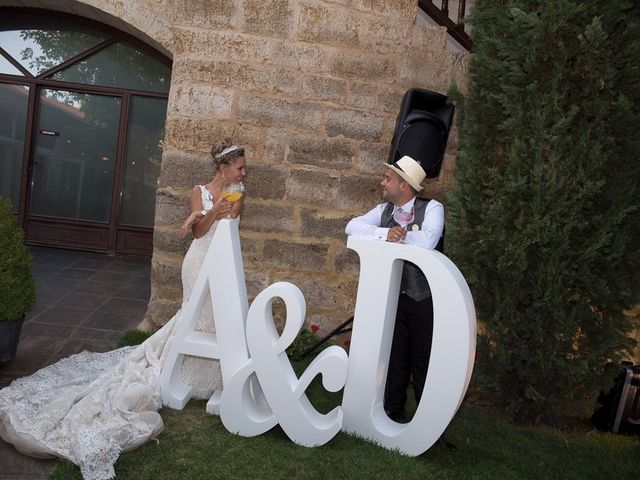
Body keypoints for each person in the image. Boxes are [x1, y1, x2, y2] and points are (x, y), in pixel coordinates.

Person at [0, 140, 247, 480]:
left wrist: (229, 208)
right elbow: (199, 232)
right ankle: (179, 370)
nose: (242, 173)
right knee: (195, 313)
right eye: (238, 168)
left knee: (217, 315)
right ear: (222, 167)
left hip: (223, 261)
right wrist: (213, 209)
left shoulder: (239, 190)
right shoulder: (200, 191)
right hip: (198, 262)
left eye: (243, 168)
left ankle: (209, 375)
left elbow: (234, 221)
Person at [345, 155, 444, 422]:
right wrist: (384, 234)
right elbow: (351, 226)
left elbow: (429, 240)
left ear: (404, 185)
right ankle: (392, 409)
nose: (382, 182)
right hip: (391, 295)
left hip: (422, 297)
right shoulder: (383, 211)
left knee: (423, 357)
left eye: (388, 179)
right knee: (394, 352)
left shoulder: (433, 208)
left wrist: (402, 236)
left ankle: (427, 420)